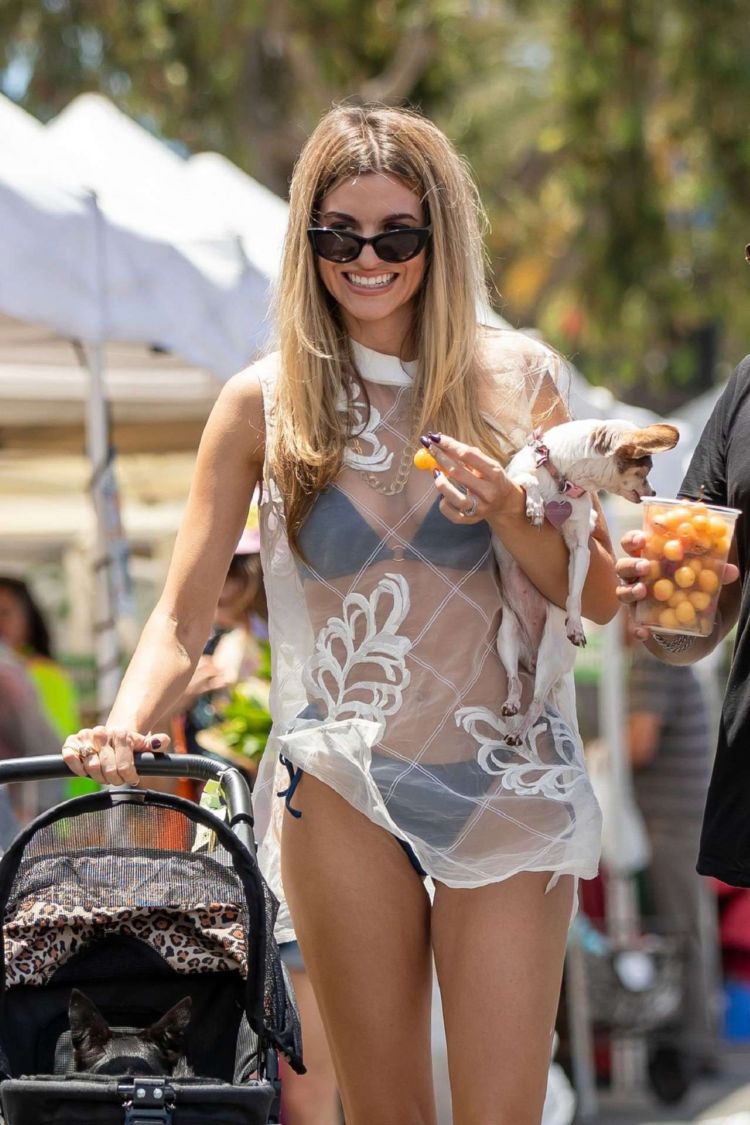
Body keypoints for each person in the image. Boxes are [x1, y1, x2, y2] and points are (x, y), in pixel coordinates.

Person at [60, 104, 619, 1124]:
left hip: (508, 776)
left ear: (438, 238)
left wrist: (509, 507)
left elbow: (599, 593)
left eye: (397, 236)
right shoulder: (261, 403)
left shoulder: (520, 381)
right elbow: (182, 616)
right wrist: (127, 722)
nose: (367, 260)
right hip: (344, 784)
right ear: (307, 242)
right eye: (339, 235)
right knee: (382, 1112)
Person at [624, 621, 721, 1099]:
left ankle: (691, 1046)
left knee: (682, 932)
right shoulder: (673, 651)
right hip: (686, 815)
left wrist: (591, 752)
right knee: (691, 929)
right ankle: (698, 1041)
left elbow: (640, 743)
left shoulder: (652, 657)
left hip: (671, 820)